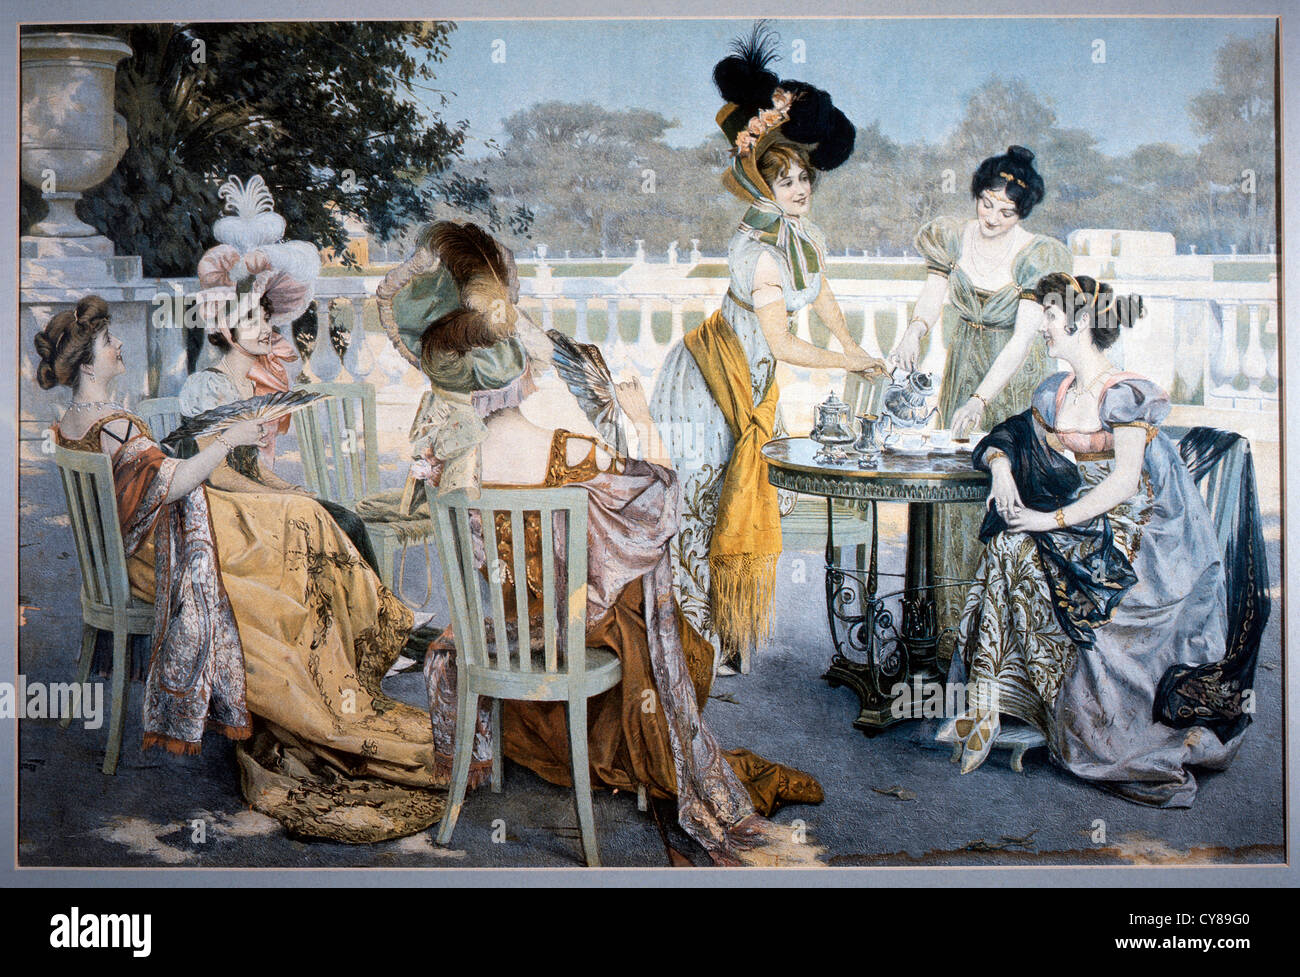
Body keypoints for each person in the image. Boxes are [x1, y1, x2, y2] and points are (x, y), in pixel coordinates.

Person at [381, 218, 826, 865]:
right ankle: (624, 751)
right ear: (526, 373)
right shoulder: (571, 453)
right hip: (572, 637)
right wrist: (642, 422)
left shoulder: (456, 466)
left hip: (496, 637)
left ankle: (554, 744)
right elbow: (660, 503)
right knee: (673, 638)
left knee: (608, 610)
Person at [38, 296, 441, 843]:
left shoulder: (74, 421)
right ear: (88, 364)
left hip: (142, 550)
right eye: (109, 342)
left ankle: (372, 631)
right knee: (294, 537)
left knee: (295, 519)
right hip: (161, 556)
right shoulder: (112, 424)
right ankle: (368, 641)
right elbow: (174, 483)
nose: (118, 346)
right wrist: (227, 439)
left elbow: (161, 482)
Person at [943, 273, 1253, 807]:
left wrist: (1048, 521)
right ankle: (996, 706)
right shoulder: (1055, 390)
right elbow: (1011, 435)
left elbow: (1125, 483)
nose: (1042, 324)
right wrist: (1000, 470)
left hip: (1150, 530)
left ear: (1080, 322)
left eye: (1049, 314)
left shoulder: (1127, 393)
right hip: (1089, 514)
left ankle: (1068, 720)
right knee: (1007, 546)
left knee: (1037, 551)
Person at [650, 24, 886, 675]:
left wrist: (850, 341)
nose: (798, 186)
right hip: (709, 377)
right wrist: (848, 362)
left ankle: (730, 629)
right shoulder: (755, 249)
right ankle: (697, 638)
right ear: (761, 183)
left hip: (752, 382)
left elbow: (821, 289)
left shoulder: (800, 234)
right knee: (702, 501)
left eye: (803, 174)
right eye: (782, 177)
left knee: (758, 495)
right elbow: (781, 339)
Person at [887, 146, 1073, 642]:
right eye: (987, 203)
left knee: (1002, 485)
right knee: (955, 488)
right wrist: (915, 330)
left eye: (1006, 211)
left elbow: (1022, 340)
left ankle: (999, 638)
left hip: (1011, 382)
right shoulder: (951, 236)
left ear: (1023, 212)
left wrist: (982, 400)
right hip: (963, 369)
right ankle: (945, 629)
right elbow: (932, 295)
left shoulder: (1039, 254)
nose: (992, 217)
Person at [179, 267, 380, 572]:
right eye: (251, 322)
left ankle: (366, 613)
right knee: (337, 524)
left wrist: (289, 489)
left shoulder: (249, 385)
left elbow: (250, 464)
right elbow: (218, 477)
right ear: (227, 331)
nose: (263, 330)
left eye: (265, 320)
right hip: (219, 511)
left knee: (345, 522)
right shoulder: (208, 386)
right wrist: (280, 496)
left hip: (247, 499)